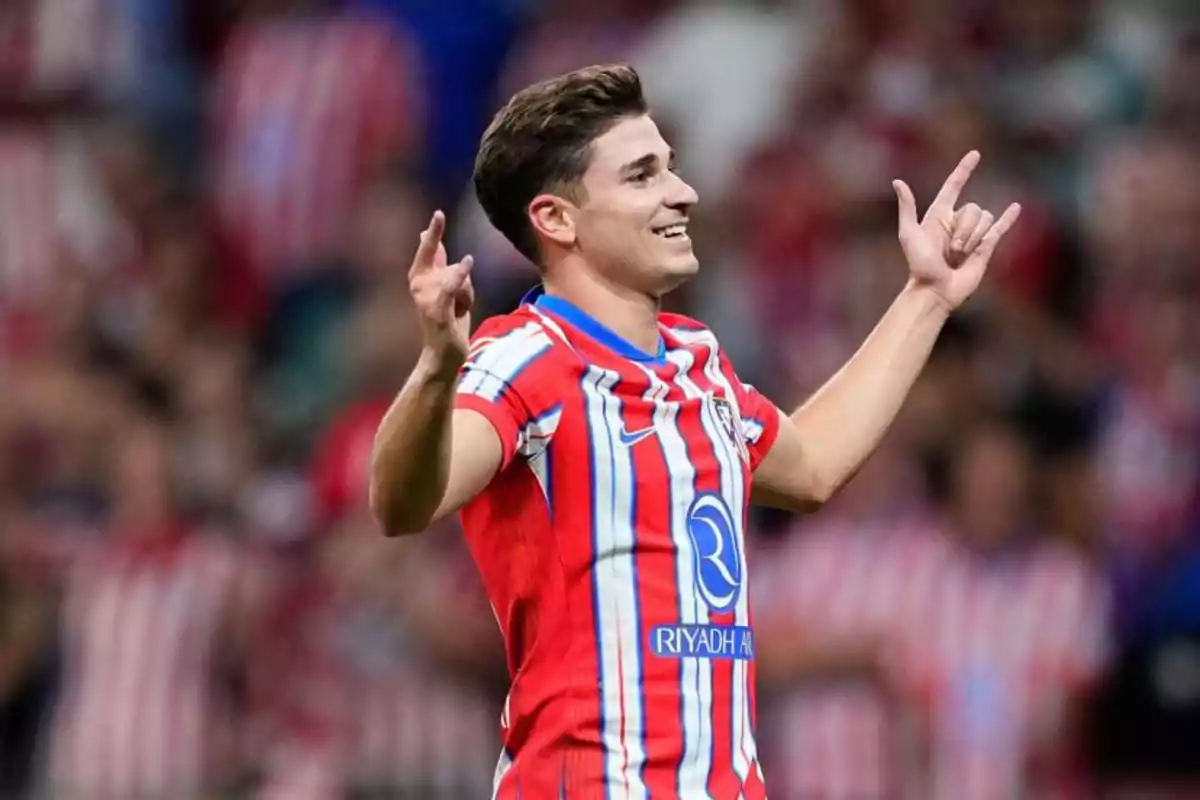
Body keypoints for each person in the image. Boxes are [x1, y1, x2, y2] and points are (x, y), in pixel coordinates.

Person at [369, 63, 1020, 798]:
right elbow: (402, 505)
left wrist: (926, 297)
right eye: (643, 176)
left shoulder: (697, 362)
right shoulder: (524, 360)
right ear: (557, 219)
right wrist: (434, 371)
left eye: (672, 168)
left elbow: (811, 469)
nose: (684, 193)